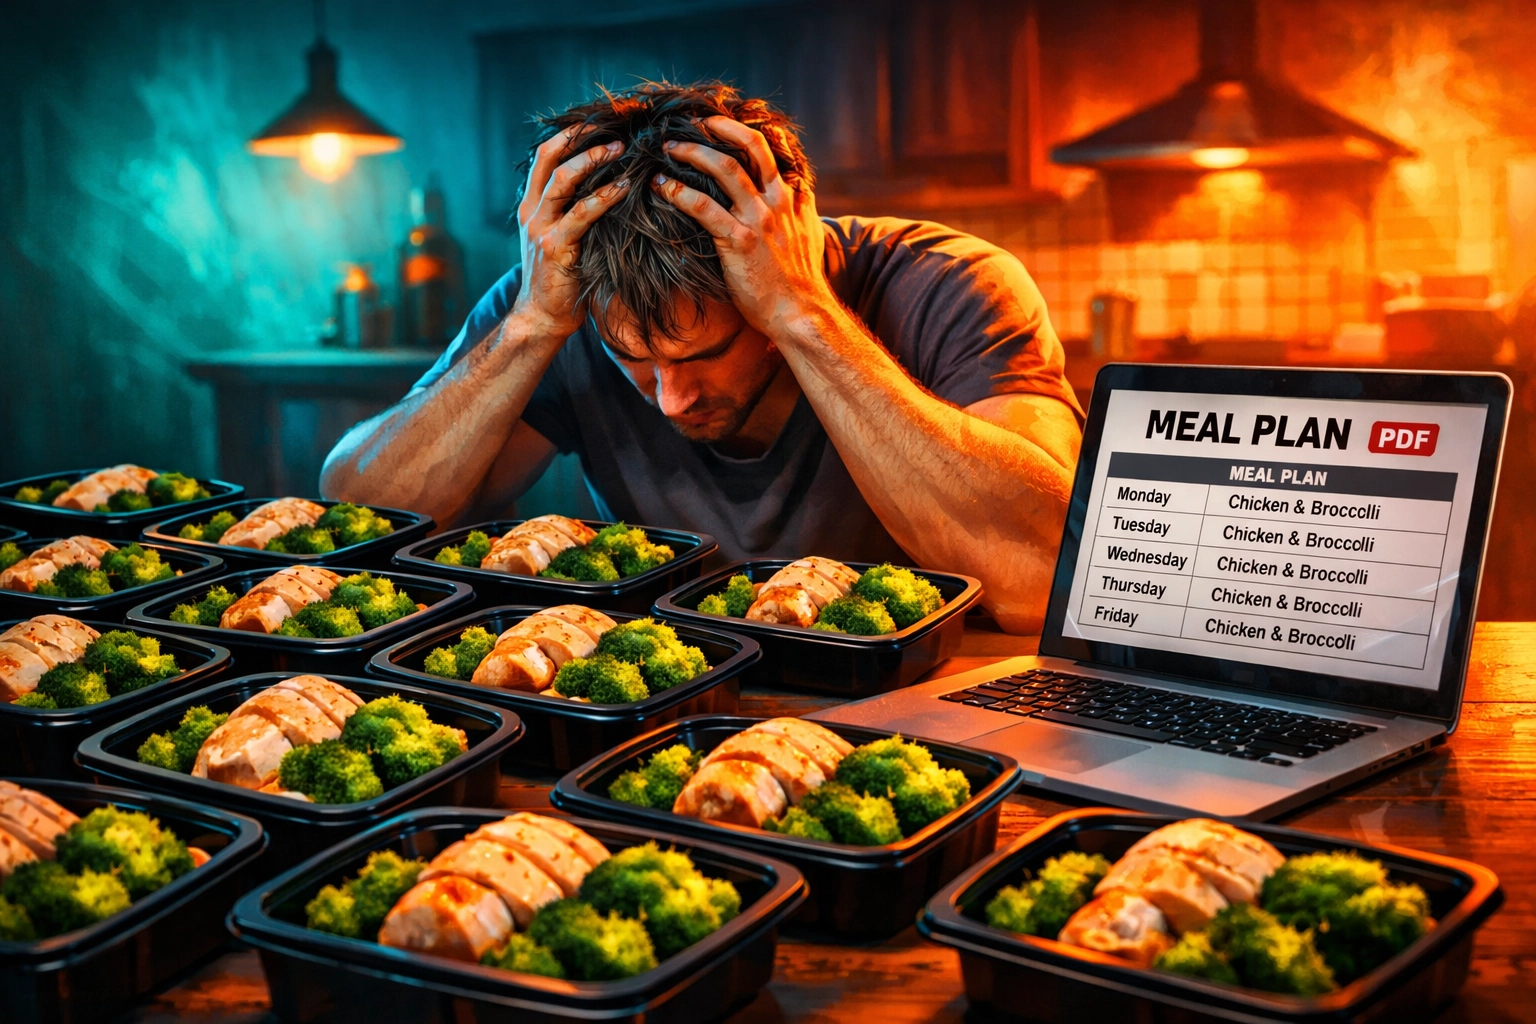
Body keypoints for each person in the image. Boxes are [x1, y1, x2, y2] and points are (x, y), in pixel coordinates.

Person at [321, 82, 1082, 633]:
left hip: (930, 710)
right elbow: (356, 526)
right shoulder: (553, 297)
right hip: (675, 708)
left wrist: (803, 315)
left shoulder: (950, 284)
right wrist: (529, 329)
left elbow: (1046, 581)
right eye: (632, 360)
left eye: (707, 352)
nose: (671, 400)